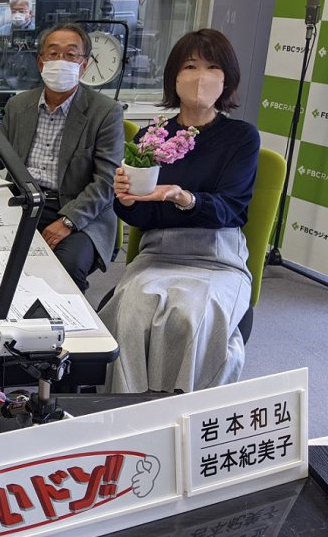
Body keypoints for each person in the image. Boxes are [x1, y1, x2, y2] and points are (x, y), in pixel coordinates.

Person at [100, 28, 260, 394]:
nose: (200, 77)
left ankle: (185, 413)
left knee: (192, 317)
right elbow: (144, 218)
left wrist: (182, 197)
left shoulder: (241, 138)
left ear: (227, 78)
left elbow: (231, 208)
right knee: (129, 312)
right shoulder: (151, 137)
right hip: (159, 253)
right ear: (174, 76)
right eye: (190, 66)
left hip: (217, 257)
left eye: (212, 66)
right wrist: (126, 200)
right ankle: (128, 411)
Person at [0, 24, 123, 292]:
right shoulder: (19, 104)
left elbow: (106, 182)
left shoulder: (105, 112)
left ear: (84, 65)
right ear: (40, 62)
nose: (60, 61)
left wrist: (67, 221)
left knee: (66, 268)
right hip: (24, 202)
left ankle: (62, 326)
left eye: (70, 55)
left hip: (79, 212)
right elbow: (1, 151)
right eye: (53, 53)